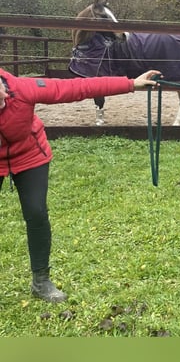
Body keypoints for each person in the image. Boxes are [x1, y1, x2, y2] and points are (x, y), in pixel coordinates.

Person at [0, 67, 162, 303]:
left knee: (36, 213)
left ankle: (41, 281)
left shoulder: (22, 90)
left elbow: (78, 88)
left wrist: (130, 84)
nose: (4, 101)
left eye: (2, 96)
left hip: (29, 154)